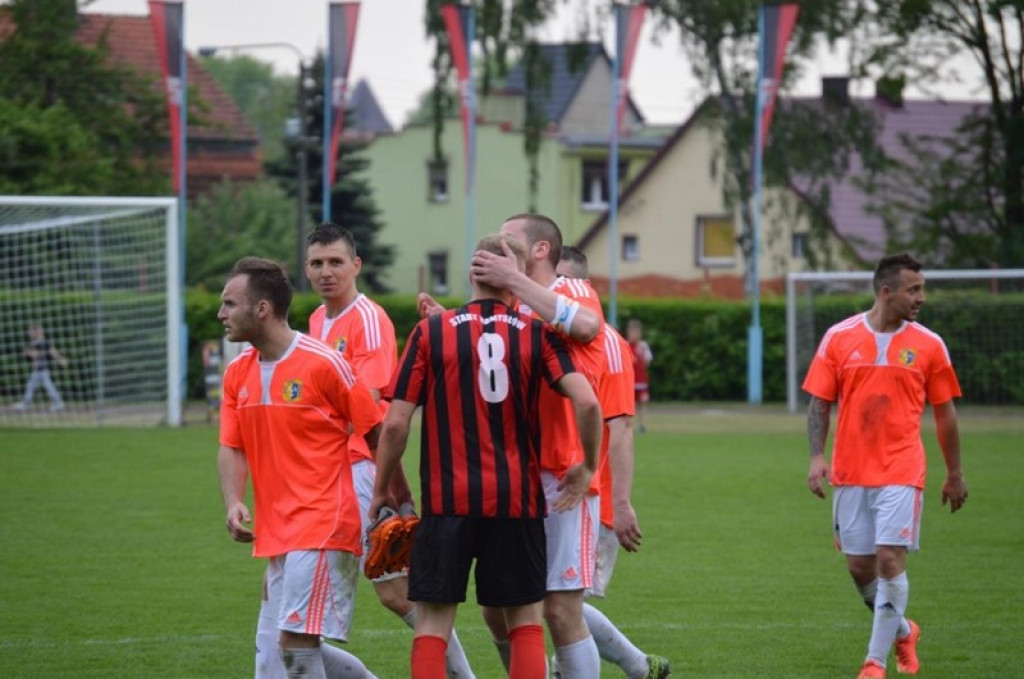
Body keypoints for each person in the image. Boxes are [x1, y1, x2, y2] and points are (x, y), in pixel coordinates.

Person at [370, 234, 602, 679]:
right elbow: (588, 403)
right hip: (516, 501)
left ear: (473, 274)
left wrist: (382, 489)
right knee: (524, 623)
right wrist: (587, 465)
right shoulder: (537, 334)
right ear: (512, 277)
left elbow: (396, 423)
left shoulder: (430, 331)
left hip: (446, 502)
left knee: (434, 621)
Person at [803, 253, 969, 679]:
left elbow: (945, 412)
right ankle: (903, 630)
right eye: (914, 290)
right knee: (860, 568)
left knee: (890, 559)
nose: (921, 298)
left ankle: (873, 664)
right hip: (851, 471)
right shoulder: (839, 338)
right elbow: (819, 402)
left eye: (922, 288)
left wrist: (954, 473)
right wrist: (817, 457)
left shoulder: (929, 344)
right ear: (886, 292)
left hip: (902, 469)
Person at [216, 257, 383, 679]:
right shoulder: (237, 373)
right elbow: (232, 446)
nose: (220, 314)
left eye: (230, 304)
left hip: (324, 521)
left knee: (295, 642)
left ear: (262, 309)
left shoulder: (323, 363)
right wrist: (234, 500)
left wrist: (392, 499)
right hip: (277, 529)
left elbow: (377, 431)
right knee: (280, 652)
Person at [467, 214, 607, 679]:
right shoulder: (515, 306)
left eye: (511, 239)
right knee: (498, 607)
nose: (499, 246)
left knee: (561, 609)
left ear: (541, 251)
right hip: (512, 475)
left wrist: (513, 281)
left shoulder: (572, 289)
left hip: (564, 472)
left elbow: (586, 327)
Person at [556, 246, 671, 679]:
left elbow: (621, 428)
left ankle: (636, 665)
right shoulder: (548, 334)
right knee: (560, 603)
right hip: (558, 491)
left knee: (564, 604)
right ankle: (640, 667)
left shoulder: (610, 344)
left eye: (566, 283)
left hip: (592, 497)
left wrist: (621, 505)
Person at [13, 323, 68, 412]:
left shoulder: (41, 342)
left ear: (36, 331)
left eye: (31, 330)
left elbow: (45, 353)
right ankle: (25, 404)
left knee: (47, 385)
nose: (29, 333)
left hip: (42, 369)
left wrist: (61, 360)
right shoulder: (35, 342)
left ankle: (58, 403)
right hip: (38, 369)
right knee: (31, 385)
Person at [625, 318, 653, 433]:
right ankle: (629, 424)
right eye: (632, 331)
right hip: (630, 381)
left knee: (643, 401)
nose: (633, 334)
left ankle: (642, 425)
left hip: (641, 380)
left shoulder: (643, 346)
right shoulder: (625, 345)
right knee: (631, 404)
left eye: (636, 332)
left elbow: (647, 360)